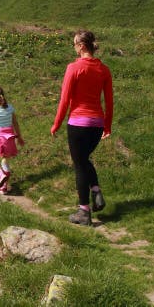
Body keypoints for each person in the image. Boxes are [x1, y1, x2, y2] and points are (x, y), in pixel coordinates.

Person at [51, 30, 113, 226]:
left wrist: (57, 123)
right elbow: (109, 101)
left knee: (79, 165)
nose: (74, 47)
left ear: (82, 46)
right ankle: (96, 191)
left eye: (75, 44)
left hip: (78, 123)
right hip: (97, 124)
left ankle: (84, 212)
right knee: (84, 160)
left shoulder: (74, 68)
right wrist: (107, 125)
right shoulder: (104, 70)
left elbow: (65, 99)